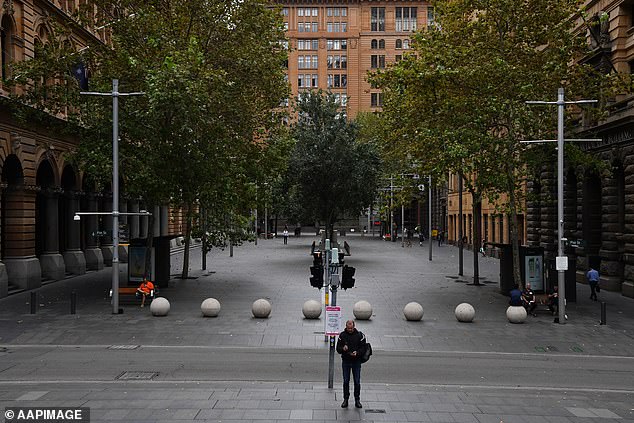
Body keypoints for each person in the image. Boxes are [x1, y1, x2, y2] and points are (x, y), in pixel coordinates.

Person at [336, 320, 367, 409]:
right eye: (348, 328)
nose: (350, 330)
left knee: (357, 381)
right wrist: (343, 348)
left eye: (351, 328)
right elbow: (338, 349)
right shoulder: (342, 335)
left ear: (354, 326)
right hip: (346, 361)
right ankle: (345, 399)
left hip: (356, 361)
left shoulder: (359, 335)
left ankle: (357, 400)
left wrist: (357, 353)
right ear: (346, 327)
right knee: (346, 381)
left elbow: (363, 348)